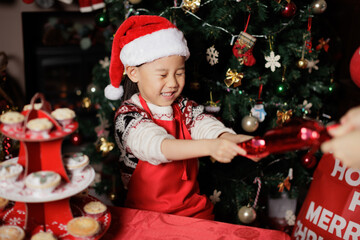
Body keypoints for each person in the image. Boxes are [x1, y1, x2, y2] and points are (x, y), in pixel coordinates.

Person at [104, 15, 260, 220]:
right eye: (162, 75)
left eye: (179, 73)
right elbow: (158, 146)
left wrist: (230, 139)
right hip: (146, 214)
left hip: (193, 210)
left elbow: (205, 124)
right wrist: (211, 147)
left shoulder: (183, 106)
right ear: (133, 73)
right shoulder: (128, 116)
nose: (172, 83)